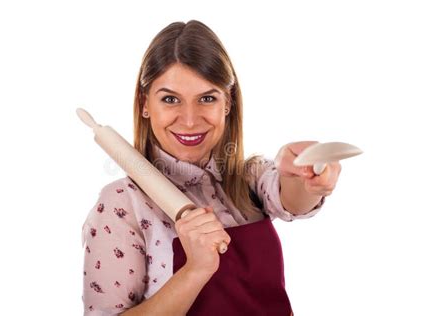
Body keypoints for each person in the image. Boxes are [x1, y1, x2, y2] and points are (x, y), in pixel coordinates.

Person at [81, 20, 341, 315]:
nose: (190, 120)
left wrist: (307, 177)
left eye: (207, 98)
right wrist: (195, 270)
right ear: (144, 104)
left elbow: (290, 197)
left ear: (227, 103)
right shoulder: (122, 205)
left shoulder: (247, 178)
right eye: (170, 99)